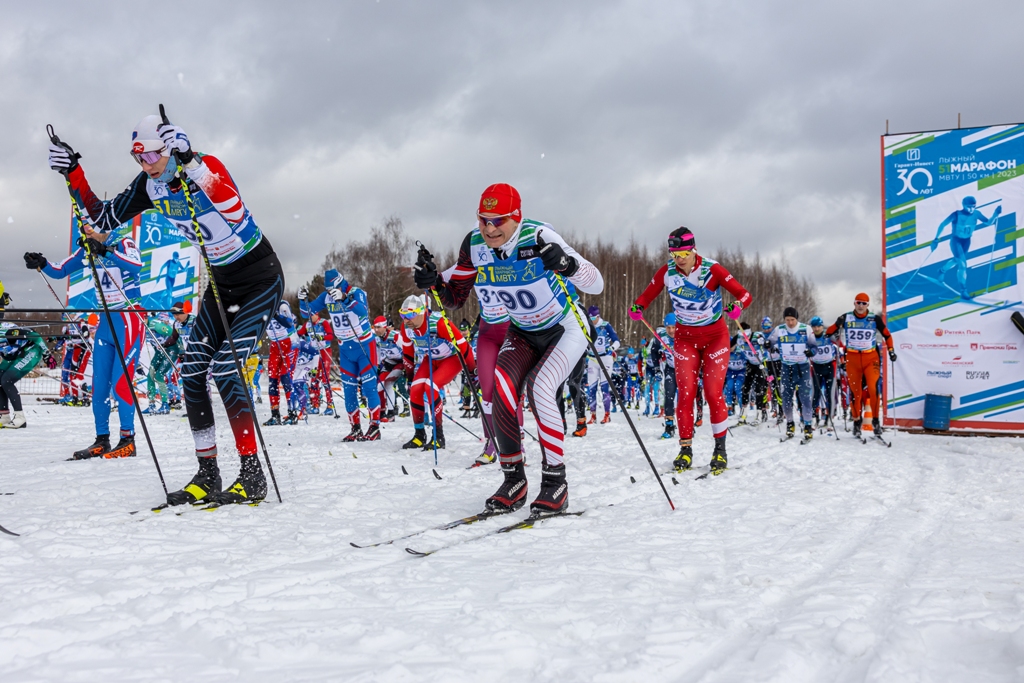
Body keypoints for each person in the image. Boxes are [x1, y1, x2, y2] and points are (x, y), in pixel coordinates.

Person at [47, 113, 285, 504]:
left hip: (259, 276)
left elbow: (235, 210)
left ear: (170, 148)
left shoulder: (205, 167)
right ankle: (208, 472)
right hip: (222, 284)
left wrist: (191, 162)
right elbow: (101, 218)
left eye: (153, 156)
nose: (147, 166)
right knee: (191, 371)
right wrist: (74, 173)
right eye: (138, 158)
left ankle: (251, 474)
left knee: (226, 369)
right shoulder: (150, 185)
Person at [420, 183, 603, 513]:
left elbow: (597, 283)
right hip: (523, 330)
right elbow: (455, 299)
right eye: (483, 220)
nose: (489, 229)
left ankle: (554, 483)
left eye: (498, 220)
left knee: (541, 387)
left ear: (516, 218)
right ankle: (513, 479)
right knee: (500, 388)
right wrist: (434, 282)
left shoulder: (538, 236)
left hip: (566, 327)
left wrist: (567, 265)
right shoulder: (474, 245)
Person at [631, 227, 751, 473]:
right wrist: (638, 306)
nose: (680, 259)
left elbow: (744, 294)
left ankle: (720, 450)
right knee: (685, 393)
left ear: (693, 249)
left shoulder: (711, 268)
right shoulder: (668, 271)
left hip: (716, 337)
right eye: (675, 254)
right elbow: (646, 295)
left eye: (684, 253)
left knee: (712, 392)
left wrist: (738, 306)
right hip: (685, 338)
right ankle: (685, 449)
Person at [26, 231, 144, 459]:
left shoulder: (123, 242)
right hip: (105, 322)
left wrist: (106, 251)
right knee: (99, 387)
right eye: (85, 225)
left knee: (121, 385)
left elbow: (136, 265)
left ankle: (127, 440)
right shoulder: (86, 250)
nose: (87, 229)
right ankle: (102, 440)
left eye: (92, 225)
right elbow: (60, 271)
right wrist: (42, 263)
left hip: (128, 318)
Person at [300, 270, 381, 441]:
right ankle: (355, 428)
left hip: (364, 346)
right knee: (349, 390)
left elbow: (362, 312)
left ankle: (374, 427)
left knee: (368, 387)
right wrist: (302, 300)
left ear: (341, 283)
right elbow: (306, 313)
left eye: (333, 288)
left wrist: (344, 299)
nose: (330, 292)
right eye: (328, 289)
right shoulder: (326, 297)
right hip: (345, 349)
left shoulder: (356, 293)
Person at [396, 295, 474, 450]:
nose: (406, 320)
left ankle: (438, 436)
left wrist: (473, 371)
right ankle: (419, 435)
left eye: (410, 315)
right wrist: (410, 377)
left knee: (431, 386)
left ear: (422, 312)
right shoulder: (406, 328)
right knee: (416, 390)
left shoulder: (439, 323)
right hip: (430, 359)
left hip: (451, 359)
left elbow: (463, 345)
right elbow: (408, 353)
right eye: (403, 315)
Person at [824, 293, 896, 437]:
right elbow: (828, 333)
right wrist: (837, 324)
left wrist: (891, 350)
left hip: (871, 358)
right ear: (854, 303)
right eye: (858, 303)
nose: (861, 306)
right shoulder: (846, 317)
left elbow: (887, 335)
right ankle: (857, 421)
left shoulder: (874, 319)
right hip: (853, 358)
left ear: (868, 305)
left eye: (864, 303)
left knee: (873, 389)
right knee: (855, 393)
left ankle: (875, 421)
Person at [930, 196, 1002, 299]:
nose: (971, 209)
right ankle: (964, 291)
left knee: (956, 260)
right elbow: (943, 224)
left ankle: (941, 270)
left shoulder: (976, 213)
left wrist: (995, 213)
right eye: (969, 207)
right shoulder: (956, 214)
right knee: (963, 265)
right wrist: (936, 239)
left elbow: (988, 222)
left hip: (967, 241)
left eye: (973, 206)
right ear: (963, 205)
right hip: (956, 241)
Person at [767, 307, 818, 440]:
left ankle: (807, 425)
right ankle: (790, 424)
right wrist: (767, 344)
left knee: (805, 398)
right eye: (787, 320)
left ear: (797, 319)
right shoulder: (779, 329)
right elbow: (769, 342)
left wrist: (810, 352)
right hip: (786, 368)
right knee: (786, 398)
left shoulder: (805, 329)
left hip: (802, 368)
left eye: (792, 320)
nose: (790, 323)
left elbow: (814, 347)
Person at [0, 326, 47, 428]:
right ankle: (4, 416)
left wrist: (47, 353)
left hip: (32, 349)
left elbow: (36, 336)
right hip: (16, 353)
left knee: (7, 380)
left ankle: (20, 417)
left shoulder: (5, 329)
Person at [262, 300, 298, 426]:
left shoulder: (281, 305)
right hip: (275, 345)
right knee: (272, 380)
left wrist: (275, 315)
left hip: (289, 343)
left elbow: (289, 324)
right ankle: (275, 415)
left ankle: (293, 413)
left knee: (285, 377)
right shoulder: (261, 306)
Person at [586, 305, 619, 423]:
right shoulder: (588, 326)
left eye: (593, 318)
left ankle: (607, 414)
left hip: (605, 359)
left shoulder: (605, 325)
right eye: (589, 319)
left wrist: (612, 348)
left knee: (605, 387)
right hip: (592, 359)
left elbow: (616, 340)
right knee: (591, 388)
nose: (592, 321)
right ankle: (593, 415)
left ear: (598, 316)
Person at [736, 321, 769, 424]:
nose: (743, 339)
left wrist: (764, 344)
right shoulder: (740, 340)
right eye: (741, 336)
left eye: (745, 336)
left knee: (759, 389)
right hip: (751, 364)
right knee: (745, 388)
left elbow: (768, 347)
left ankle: (759, 414)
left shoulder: (758, 336)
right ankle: (744, 413)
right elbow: (739, 350)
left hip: (761, 363)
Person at [373, 316, 405, 420]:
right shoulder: (376, 337)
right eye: (375, 327)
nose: (376, 330)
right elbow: (378, 352)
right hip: (388, 362)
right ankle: (382, 412)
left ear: (385, 326)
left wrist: (409, 367)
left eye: (378, 327)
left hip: (400, 363)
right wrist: (377, 366)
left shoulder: (395, 336)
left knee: (388, 384)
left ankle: (391, 412)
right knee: (379, 386)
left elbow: (407, 350)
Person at [651, 314, 677, 438]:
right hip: (671, 369)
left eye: (674, 327)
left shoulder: (686, 335)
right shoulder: (661, 337)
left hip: (686, 370)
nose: (671, 331)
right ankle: (669, 426)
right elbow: (653, 351)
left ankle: (687, 426)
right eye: (668, 328)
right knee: (669, 396)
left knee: (685, 399)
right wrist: (656, 368)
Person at [809, 316, 838, 427]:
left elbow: (840, 345)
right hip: (816, 367)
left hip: (829, 367)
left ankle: (829, 419)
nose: (816, 329)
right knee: (815, 393)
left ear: (822, 326)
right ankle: (813, 417)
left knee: (830, 393)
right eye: (814, 327)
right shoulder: (810, 338)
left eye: (818, 326)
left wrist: (837, 336)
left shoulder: (828, 336)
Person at [724, 332, 746, 416]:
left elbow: (747, 358)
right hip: (730, 371)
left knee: (738, 388)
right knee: (729, 388)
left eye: (731, 347)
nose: (730, 349)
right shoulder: (725, 352)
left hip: (741, 371)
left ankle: (742, 408)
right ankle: (730, 408)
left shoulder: (740, 351)